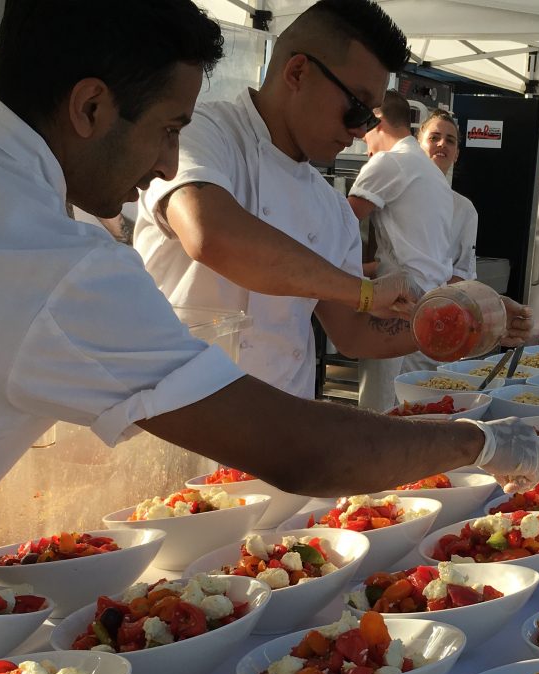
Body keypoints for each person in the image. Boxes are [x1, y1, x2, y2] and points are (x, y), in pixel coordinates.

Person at [0, 0, 539, 583]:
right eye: (166, 131)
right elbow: (213, 235)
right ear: (91, 106)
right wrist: (475, 443)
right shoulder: (71, 261)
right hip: (177, 454)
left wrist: (448, 324)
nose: (163, 162)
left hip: (269, 470)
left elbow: (354, 335)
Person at [134, 0, 422, 398]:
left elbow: (354, 334)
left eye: (369, 118)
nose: (359, 131)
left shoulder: (333, 208)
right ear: (297, 72)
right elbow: (209, 233)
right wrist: (364, 292)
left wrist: (458, 323)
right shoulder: (201, 133)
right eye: (355, 107)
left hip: (279, 435)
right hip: (178, 422)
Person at [347, 90, 454, 410]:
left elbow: (337, 222)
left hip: (400, 307)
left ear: (377, 121)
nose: (359, 139)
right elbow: (412, 249)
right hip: (431, 307)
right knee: (415, 412)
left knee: (379, 414)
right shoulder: (432, 174)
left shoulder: (390, 160)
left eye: (362, 130)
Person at [417, 108, 478, 283]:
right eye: (434, 138)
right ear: (417, 145)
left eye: (450, 141)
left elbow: (462, 272)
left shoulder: (464, 209)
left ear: (456, 154)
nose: (442, 143)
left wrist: (434, 304)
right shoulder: (395, 193)